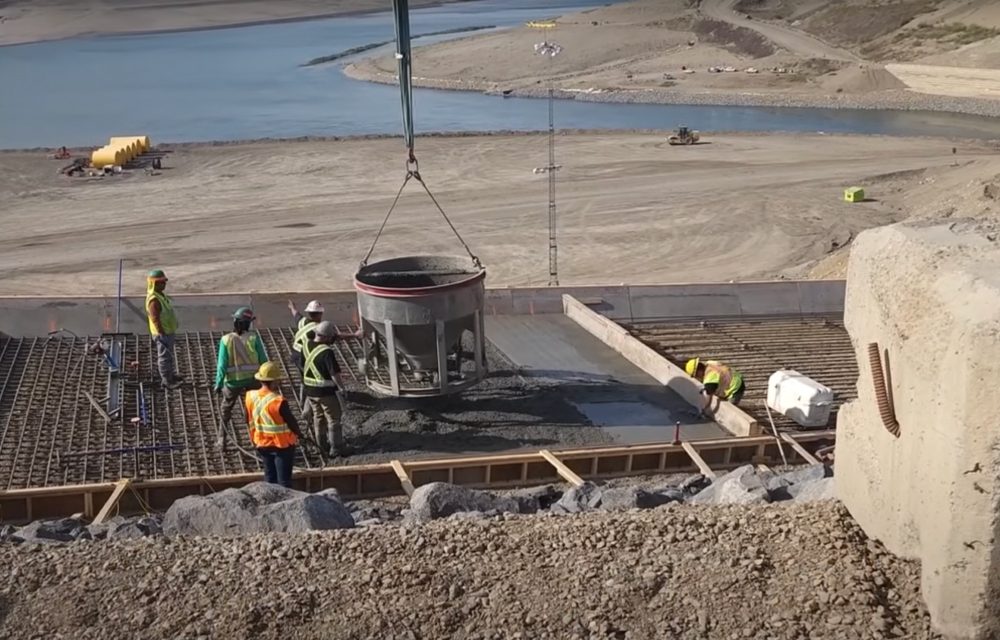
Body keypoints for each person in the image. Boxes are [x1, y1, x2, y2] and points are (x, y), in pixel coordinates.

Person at [214, 307, 267, 447]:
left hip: (233, 382)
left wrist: (218, 383)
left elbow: (221, 365)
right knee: (253, 409)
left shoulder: (226, 340)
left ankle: (222, 439)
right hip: (253, 380)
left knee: (226, 409)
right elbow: (263, 360)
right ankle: (256, 439)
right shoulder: (254, 338)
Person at [245, 362, 302, 488]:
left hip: (262, 443)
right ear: (274, 381)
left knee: (269, 478)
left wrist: (253, 438)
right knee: (284, 481)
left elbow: (248, 418)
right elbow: (291, 421)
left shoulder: (250, 396)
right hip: (281, 445)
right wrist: (299, 434)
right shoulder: (278, 401)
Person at [303, 321, 350, 458]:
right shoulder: (327, 352)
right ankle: (336, 448)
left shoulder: (306, 346)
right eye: (331, 337)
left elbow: (301, 366)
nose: (332, 340)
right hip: (325, 392)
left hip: (310, 391)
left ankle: (321, 446)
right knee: (333, 419)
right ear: (326, 337)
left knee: (318, 417)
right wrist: (342, 388)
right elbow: (334, 374)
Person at [145, 269, 183, 389]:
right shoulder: (154, 300)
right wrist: (161, 333)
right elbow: (155, 318)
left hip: (168, 331)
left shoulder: (160, 295)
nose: (164, 284)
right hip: (162, 333)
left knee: (169, 355)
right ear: (154, 284)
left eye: (164, 282)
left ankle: (171, 375)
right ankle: (167, 381)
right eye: (161, 282)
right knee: (164, 357)